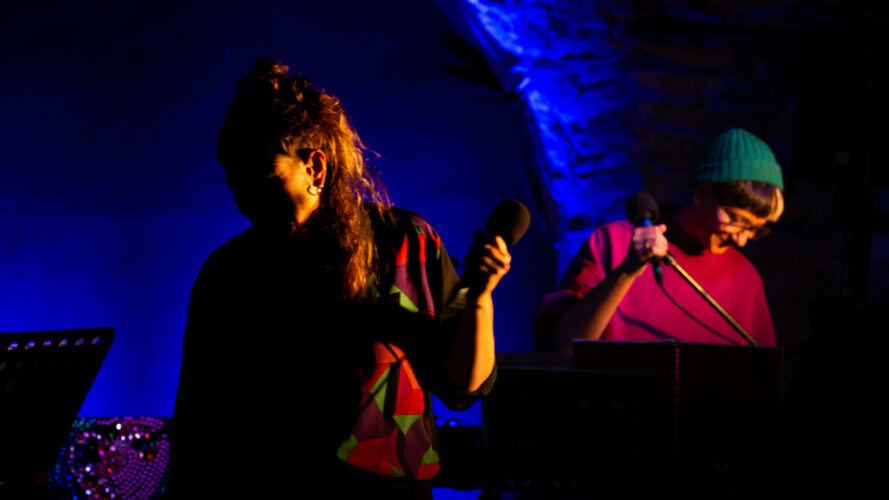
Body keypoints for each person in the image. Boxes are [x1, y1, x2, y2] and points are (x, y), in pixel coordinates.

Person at [169, 59, 510, 498]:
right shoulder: (228, 272)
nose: (246, 201)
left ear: (315, 167)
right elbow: (198, 425)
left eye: (263, 180)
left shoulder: (406, 243)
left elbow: (463, 388)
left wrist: (480, 299)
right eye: (235, 184)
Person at [535, 128, 784, 353]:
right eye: (735, 219)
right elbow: (565, 345)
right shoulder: (613, 241)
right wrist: (627, 271)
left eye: (754, 229)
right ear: (701, 193)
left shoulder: (746, 278)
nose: (741, 240)